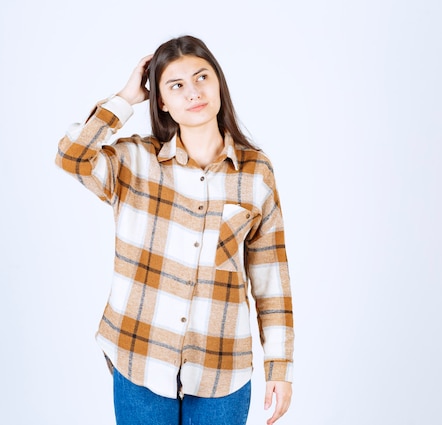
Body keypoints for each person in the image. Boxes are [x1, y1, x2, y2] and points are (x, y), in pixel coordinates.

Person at [55, 35, 294, 425]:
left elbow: (271, 278)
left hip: (223, 370)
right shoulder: (135, 162)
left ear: (219, 83)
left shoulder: (256, 173)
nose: (193, 92)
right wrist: (124, 99)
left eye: (202, 78)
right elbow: (71, 157)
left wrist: (280, 367)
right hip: (140, 359)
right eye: (176, 85)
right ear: (161, 101)